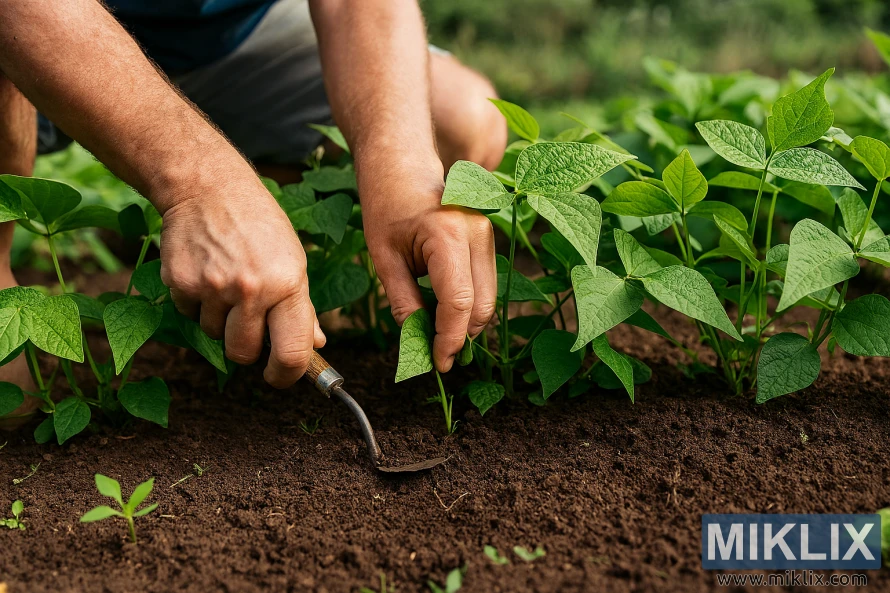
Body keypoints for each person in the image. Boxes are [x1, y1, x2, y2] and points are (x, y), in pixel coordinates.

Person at [0, 0, 507, 427]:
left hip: (231, 40)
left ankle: (255, 245)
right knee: (10, 398)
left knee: (462, 122)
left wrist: (403, 169)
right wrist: (200, 183)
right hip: (41, 27)